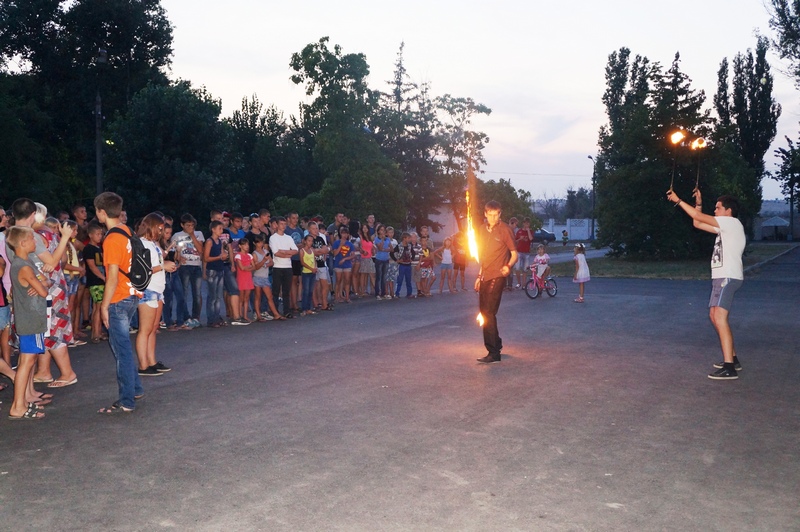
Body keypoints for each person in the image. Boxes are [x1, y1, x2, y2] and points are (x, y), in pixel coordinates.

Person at [667, 189, 746, 380]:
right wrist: (699, 203)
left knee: (719, 317)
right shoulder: (724, 228)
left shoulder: (732, 223)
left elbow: (697, 217)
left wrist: (678, 200)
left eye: (718, 208)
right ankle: (733, 359)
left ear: (728, 211)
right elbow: (697, 222)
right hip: (721, 277)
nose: (715, 210)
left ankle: (729, 368)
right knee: (714, 316)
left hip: (728, 277)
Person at [9, 199, 78, 387]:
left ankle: (58, 373)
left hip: (35, 288)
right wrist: (64, 238)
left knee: (48, 330)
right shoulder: (31, 235)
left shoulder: (12, 235)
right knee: (49, 330)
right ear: (34, 215)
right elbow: (55, 262)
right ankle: (49, 372)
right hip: (42, 288)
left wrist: (37, 279)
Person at [94, 191, 143, 413]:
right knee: (124, 346)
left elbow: (112, 277)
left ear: (102, 212)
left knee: (121, 350)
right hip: (133, 293)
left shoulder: (111, 239)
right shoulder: (127, 231)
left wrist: (104, 306)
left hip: (119, 297)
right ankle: (136, 388)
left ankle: (126, 400)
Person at [6, 226, 49, 420]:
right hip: (31, 319)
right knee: (27, 362)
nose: (35, 242)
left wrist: (40, 283)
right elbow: (44, 290)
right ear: (23, 243)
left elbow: (45, 282)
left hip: (28, 318)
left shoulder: (24, 262)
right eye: (32, 239)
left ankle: (21, 403)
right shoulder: (23, 266)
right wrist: (40, 284)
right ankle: (18, 406)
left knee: (26, 361)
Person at [474, 200, 517, 364]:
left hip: (498, 275)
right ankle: (496, 343)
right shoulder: (481, 230)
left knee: (488, 312)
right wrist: (479, 276)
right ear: (485, 214)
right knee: (484, 311)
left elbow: (515, 254)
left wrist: (508, 266)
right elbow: (484, 256)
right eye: (490, 215)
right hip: (485, 275)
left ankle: (493, 352)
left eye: (496, 215)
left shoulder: (505, 230)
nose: (493, 218)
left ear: (500, 214)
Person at [136, 213, 175, 376]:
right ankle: (143, 365)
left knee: (153, 329)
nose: (161, 231)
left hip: (158, 289)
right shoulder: (141, 243)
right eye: (159, 228)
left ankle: (151, 361)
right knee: (145, 330)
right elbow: (141, 270)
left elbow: (156, 263)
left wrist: (165, 264)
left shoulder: (153, 243)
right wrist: (163, 266)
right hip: (148, 290)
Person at [171, 214, 205, 328]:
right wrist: (179, 257)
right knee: (184, 292)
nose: (190, 227)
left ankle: (196, 317)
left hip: (196, 265)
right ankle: (185, 317)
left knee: (197, 293)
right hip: (184, 267)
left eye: (192, 225)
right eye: (188, 225)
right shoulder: (177, 236)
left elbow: (201, 250)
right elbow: (173, 252)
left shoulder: (198, 234)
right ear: (182, 225)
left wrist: (192, 235)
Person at [269, 216, 299, 318]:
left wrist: (284, 252)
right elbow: (276, 253)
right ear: (277, 225)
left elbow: (295, 250)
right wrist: (288, 254)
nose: (283, 226)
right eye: (281, 224)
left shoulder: (288, 238)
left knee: (286, 290)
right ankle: (275, 311)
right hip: (277, 266)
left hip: (288, 266)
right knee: (276, 290)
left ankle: (287, 311)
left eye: (284, 224)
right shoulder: (273, 238)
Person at [83, 223, 107, 342]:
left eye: (101, 234)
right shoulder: (88, 248)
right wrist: (103, 277)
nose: (100, 236)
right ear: (90, 235)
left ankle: (98, 331)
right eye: (97, 234)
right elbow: (92, 266)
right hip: (95, 281)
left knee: (100, 306)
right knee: (98, 306)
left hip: (101, 281)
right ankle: (95, 333)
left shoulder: (99, 248)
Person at [251, 234, 282, 320]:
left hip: (265, 277)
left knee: (269, 296)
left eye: (261, 242)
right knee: (258, 297)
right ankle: (258, 315)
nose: (260, 244)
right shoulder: (254, 254)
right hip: (257, 277)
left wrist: (266, 264)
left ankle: (276, 314)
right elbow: (256, 267)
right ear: (254, 243)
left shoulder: (266, 251)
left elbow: (272, 262)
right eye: (258, 242)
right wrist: (264, 261)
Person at [332, 226, 355, 304]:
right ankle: (336, 297)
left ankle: (347, 297)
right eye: (343, 234)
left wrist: (345, 259)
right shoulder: (336, 243)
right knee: (338, 280)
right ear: (341, 234)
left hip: (347, 264)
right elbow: (335, 254)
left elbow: (353, 255)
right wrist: (340, 246)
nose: (345, 235)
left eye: (346, 234)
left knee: (347, 281)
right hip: (338, 264)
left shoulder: (350, 244)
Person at [234, 238, 255, 322]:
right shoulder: (238, 256)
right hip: (241, 278)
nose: (247, 246)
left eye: (247, 244)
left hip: (248, 278)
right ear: (240, 246)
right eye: (244, 244)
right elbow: (241, 268)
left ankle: (245, 315)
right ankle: (240, 314)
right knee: (241, 298)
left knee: (246, 298)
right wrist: (249, 267)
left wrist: (247, 267)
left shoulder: (249, 255)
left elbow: (254, 267)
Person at [392, 232, 416, 298]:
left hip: (408, 265)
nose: (409, 240)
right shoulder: (399, 246)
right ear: (404, 238)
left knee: (408, 280)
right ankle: (397, 293)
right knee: (399, 280)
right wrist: (397, 260)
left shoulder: (409, 246)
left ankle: (409, 293)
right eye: (408, 238)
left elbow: (413, 253)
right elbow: (392, 252)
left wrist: (412, 259)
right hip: (401, 265)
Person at [299, 235, 318, 316]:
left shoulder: (312, 250)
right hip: (306, 272)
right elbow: (302, 262)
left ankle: (308, 308)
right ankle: (304, 308)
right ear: (305, 241)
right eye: (309, 241)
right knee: (306, 291)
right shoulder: (302, 250)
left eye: (311, 241)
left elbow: (314, 259)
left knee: (310, 291)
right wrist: (311, 268)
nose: (310, 242)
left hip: (312, 272)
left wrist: (315, 267)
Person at [514, 218, 534, 289]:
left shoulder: (531, 231)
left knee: (525, 269)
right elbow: (515, 241)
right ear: (523, 223)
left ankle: (524, 285)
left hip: (526, 253)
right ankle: (519, 283)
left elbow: (531, 239)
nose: (526, 225)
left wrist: (528, 230)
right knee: (517, 268)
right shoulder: (519, 231)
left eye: (528, 223)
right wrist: (520, 239)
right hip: (519, 252)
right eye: (525, 223)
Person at [373, 225, 391, 300]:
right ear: (378, 231)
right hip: (379, 259)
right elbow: (380, 248)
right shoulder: (377, 239)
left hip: (386, 259)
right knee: (378, 277)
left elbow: (391, 249)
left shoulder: (388, 239)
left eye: (383, 230)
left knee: (384, 277)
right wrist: (383, 240)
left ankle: (383, 293)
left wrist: (385, 249)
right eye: (381, 230)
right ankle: (377, 293)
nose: (382, 231)